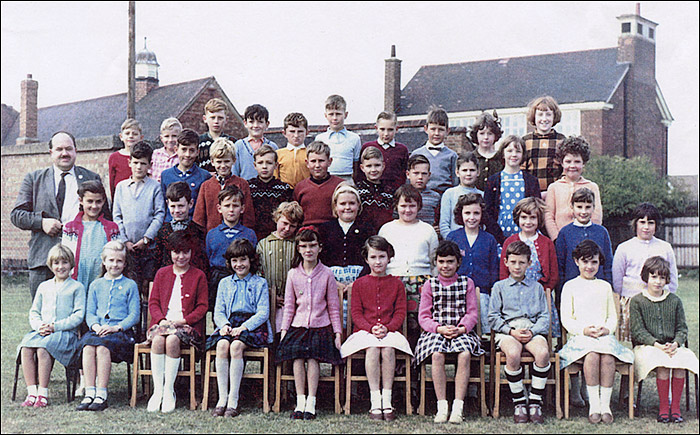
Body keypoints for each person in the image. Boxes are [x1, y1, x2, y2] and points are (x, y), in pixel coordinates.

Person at [11, 131, 107, 299]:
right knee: (44, 316)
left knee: (80, 315)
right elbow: (17, 215)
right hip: (43, 260)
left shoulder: (91, 178)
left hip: (81, 262)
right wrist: (41, 222)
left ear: (76, 151)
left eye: (69, 149)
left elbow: (105, 216)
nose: (65, 153)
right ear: (51, 152)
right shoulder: (34, 179)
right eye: (59, 149)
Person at [558, 240, 634, 425]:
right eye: (585, 261)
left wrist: (607, 329)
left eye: (594, 262)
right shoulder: (570, 286)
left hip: (603, 336)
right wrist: (583, 330)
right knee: (592, 355)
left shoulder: (604, 287)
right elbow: (567, 318)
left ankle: (605, 405)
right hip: (581, 338)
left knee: (607, 356)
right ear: (577, 261)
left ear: (600, 263)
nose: (589, 266)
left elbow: (612, 317)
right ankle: (594, 406)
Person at [340, 236, 411, 422]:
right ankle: (374, 400)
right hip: (365, 331)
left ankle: (386, 400)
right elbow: (356, 314)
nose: (378, 261)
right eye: (373, 257)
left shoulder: (396, 284)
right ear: (366, 259)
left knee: (387, 349)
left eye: (382, 256)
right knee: (372, 349)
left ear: (389, 258)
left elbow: (400, 312)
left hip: (390, 331)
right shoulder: (359, 284)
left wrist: (387, 328)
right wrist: (371, 328)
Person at [275, 226, 343, 420]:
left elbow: (333, 306)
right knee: (297, 356)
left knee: (313, 356)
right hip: (298, 326)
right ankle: (300, 399)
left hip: (320, 326)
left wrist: (337, 333)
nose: (308, 250)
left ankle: (312, 401)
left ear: (320, 248)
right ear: (298, 248)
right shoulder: (293, 274)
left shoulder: (327, 273)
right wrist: (284, 330)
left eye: (312, 246)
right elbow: (289, 306)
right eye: (303, 246)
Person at [414, 240, 484, 424]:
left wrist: (462, 328)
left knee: (465, 354)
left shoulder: (466, 283)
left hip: (460, 331)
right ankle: (442, 405)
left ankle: (458, 406)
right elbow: (424, 316)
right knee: (437, 355)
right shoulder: (430, 284)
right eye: (441, 261)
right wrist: (438, 328)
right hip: (436, 331)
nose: (445, 266)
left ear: (458, 263)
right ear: (436, 262)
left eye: (450, 261)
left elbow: (472, 313)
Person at [205, 239, 273, 417]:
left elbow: (263, 313)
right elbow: (218, 311)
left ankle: (233, 401)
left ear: (251, 260)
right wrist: (224, 325)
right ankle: (222, 399)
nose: (239, 264)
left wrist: (244, 327)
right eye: (234, 261)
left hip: (252, 325)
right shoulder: (224, 283)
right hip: (230, 322)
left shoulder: (260, 283)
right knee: (221, 346)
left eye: (243, 259)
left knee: (235, 347)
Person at [488, 241, 551, 424]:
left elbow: (544, 317)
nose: (517, 266)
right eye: (513, 262)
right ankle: (519, 402)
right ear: (506, 262)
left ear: (529, 263)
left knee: (543, 352)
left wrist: (532, 331)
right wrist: (511, 331)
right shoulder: (499, 287)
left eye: (522, 262)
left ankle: (535, 401)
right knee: (513, 353)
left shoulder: (536, 287)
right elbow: (493, 317)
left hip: (531, 329)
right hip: (508, 331)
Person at [630, 256, 698, 424]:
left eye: (662, 277)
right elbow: (638, 332)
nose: (658, 282)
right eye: (654, 276)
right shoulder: (637, 301)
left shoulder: (674, 301)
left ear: (667, 279)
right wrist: (657, 345)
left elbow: (682, 329)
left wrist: (675, 343)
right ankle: (663, 408)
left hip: (672, 345)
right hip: (648, 346)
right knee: (662, 363)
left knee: (680, 362)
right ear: (646, 277)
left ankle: (675, 408)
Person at [146, 231, 208, 413]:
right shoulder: (162, 274)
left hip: (187, 326)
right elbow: (154, 302)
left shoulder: (198, 276)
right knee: (158, 340)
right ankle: (158, 390)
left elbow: (202, 306)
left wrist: (184, 320)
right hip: (163, 322)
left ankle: (169, 390)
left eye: (185, 252)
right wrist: (162, 320)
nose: (181, 256)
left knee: (172, 340)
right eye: (176, 252)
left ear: (192, 252)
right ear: (170, 252)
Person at [17, 244, 85, 408]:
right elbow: (34, 312)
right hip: (42, 332)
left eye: (64, 263)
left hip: (64, 334)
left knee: (43, 348)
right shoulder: (44, 286)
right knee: (26, 347)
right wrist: (39, 326)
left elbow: (78, 316)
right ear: (50, 265)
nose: (60, 267)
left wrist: (56, 326)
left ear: (71, 264)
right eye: (56, 263)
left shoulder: (77, 287)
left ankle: (43, 393)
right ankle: (32, 391)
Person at [75, 241, 140, 411]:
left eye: (119, 261)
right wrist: (95, 326)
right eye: (110, 260)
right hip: (98, 330)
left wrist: (116, 327)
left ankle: (101, 394)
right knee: (88, 346)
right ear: (103, 262)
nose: (114, 265)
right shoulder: (96, 285)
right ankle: (90, 392)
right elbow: (90, 313)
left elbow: (134, 315)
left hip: (121, 333)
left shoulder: (130, 285)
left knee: (102, 347)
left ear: (125, 263)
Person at [378, 184, 439, 347]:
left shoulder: (427, 230)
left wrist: (431, 283)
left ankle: (415, 360)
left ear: (419, 206)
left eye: (412, 205)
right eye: (403, 205)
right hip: (393, 280)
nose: (407, 210)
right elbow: (381, 258)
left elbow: (434, 260)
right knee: (393, 321)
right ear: (396, 206)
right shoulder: (387, 229)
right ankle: (396, 362)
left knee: (416, 325)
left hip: (421, 282)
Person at [613, 202, 678, 342]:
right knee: (635, 341)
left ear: (656, 225)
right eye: (642, 222)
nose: (646, 227)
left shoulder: (665, 248)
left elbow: (672, 278)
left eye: (651, 223)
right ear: (635, 224)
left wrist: (666, 297)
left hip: (659, 302)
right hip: (631, 302)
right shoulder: (624, 248)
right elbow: (617, 280)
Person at [499, 197, 560, 337]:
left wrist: (542, 292)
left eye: (533, 217)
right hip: (514, 296)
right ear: (517, 218)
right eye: (524, 217)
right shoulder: (510, 241)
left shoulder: (546, 243)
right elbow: (503, 273)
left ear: (539, 220)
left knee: (538, 335)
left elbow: (553, 274)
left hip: (539, 296)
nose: (528, 222)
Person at [113, 141, 165, 299]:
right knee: (130, 286)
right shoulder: (121, 187)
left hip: (148, 248)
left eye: (143, 163)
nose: (139, 167)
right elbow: (117, 215)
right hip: (128, 248)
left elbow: (159, 214)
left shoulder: (154, 187)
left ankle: (146, 322)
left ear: (150, 164)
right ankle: (131, 323)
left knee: (147, 288)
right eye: (135, 163)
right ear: (129, 162)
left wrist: (146, 238)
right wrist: (124, 241)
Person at [319, 183, 373, 327]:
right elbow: (320, 259)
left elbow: (372, 258)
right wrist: (333, 282)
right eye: (343, 204)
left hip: (359, 279)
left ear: (359, 206)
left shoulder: (367, 228)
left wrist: (356, 283)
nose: (347, 207)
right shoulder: (325, 229)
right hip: (331, 279)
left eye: (352, 203)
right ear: (335, 207)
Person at [446, 193, 499, 334]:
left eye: (476, 213)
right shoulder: (453, 237)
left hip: (482, 293)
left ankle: (485, 346)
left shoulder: (489, 239)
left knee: (484, 327)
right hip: (457, 292)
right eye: (467, 213)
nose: (472, 217)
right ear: (460, 214)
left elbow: (494, 270)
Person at [205, 185, 258, 312]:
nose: (231, 210)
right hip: (217, 280)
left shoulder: (249, 234)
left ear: (242, 208)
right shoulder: (212, 234)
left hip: (242, 279)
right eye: (227, 206)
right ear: (219, 208)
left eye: (235, 206)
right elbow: (208, 260)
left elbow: (253, 261)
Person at [62, 180, 120, 291]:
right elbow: (66, 256)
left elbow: (117, 254)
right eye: (90, 201)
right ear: (81, 201)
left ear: (103, 201)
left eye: (98, 202)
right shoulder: (70, 228)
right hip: (77, 280)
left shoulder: (112, 228)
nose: (94, 206)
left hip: (102, 281)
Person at [484, 135, 541, 244]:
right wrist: (498, 235)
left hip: (526, 233)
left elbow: (536, 209)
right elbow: (488, 212)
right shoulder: (493, 180)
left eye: (518, 151)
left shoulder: (531, 181)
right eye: (510, 151)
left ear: (523, 154)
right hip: (499, 234)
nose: (514, 155)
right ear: (503, 154)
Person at [257, 201, 304, 333]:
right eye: (284, 223)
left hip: (292, 300)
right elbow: (258, 273)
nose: (287, 229)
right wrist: (270, 295)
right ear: (277, 218)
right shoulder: (263, 244)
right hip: (268, 299)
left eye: (292, 226)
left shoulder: (297, 245)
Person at [544, 135, 602, 241]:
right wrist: (557, 239)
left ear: (583, 163)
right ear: (562, 163)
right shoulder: (554, 187)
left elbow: (596, 216)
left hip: (586, 241)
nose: (572, 166)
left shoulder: (592, 187)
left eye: (577, 162)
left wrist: (590, 238)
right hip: (562, 241)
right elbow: (549, 217)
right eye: (568, 161)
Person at [193, 137, 255, 233]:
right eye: (219, 162)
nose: (223, 166)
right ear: (212, 162)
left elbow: (248, 217)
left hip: (238, 239)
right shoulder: (206, 186)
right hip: (213, 239)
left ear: (234, 161)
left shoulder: (242, 184)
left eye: (226, 161)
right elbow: (199, 219)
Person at [555, 187, 613, 288]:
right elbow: (560, 266)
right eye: (579, 207)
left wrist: (609, 286)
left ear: (593, 207)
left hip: (598, 287)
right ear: (572, 207)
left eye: (587, 207)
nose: (583, 211)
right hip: (573, 287)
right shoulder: (564, 233)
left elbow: (608, 263)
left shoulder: (602, 232)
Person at [153, 182, 208, 275]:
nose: (177, 211)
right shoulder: (163, 232)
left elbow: (202, 263)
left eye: (181, 206)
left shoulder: (198, 232)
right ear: (167, 204)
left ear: (190, 203)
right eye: (173, 206)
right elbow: (158, 261)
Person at [161, 128, 213, 222]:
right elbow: (163, 207)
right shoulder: (166, 175)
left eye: (191, 150)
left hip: (193, 228)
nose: (187, 154)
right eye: (184, 150)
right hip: (170, 228)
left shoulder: (204, 176)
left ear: (197, 152)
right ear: (176, 149)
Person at [521, 96, 566, 197]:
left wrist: (554, 190)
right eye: (540, 115)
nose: (544, 119)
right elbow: (522, 170)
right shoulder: (525, 141)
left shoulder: (562, 141)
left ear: (554, 117)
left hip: (556, 194)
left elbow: (565, 170)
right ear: (534, 117)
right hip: (531, 194)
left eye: (548, 115)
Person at [247, 144, 293, 240]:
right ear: (255, 165)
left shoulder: (284, 189)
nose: (264, 166)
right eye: (260, 163)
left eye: (269, 163)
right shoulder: (248, 187)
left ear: (276, 165)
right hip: (254, 235)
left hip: (278, 236)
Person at [292, 141, 344, 225]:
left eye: (321, 161)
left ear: (329, 161)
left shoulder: (340, 185)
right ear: (307, 163)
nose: (317, 165)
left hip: (332, 230)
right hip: (307, 231)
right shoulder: (300, 187)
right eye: (313, 161)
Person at [315, 94, 362, 183]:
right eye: (331, 114)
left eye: (338, 114)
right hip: (326, 179)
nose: (335, 118)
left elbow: (356, 164)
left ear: (346, 114)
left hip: (347, 180)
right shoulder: (320, 139)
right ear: (325, 115)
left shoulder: (354, 138)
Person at [410, 107, 457, 194]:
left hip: (444, 197)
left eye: (441, 130)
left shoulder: (452, 156)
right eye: (433, 129)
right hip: (420, 196)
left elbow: (455, 182)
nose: (436, 133)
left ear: (447, 131)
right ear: (426, 129)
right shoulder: (416, 154)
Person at [358, 111, 409, 192]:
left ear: (396, 129)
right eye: (382, 129)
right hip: (371, 192)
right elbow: (360, 173)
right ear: (376, 128)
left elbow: (403, 174)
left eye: (390, 130)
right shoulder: (367, 147)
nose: (386, 134)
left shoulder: (402, 150)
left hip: (395, 192)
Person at [439, 152, 483, 238]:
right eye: (464, 170)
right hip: (454, 244)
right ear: (457, 172)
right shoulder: (449, 194)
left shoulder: (482, 195)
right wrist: (453, 243)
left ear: (478, 172)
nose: (468, 174)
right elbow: (444, 225)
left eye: (472, 170)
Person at [233, 104, 278, 180]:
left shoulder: (273, 147)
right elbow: (234, 173)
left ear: (267, 124)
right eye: (251, 121)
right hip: (243, 190)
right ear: (245, 123)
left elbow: (276, 173)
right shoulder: (238, 146)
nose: (256, 125)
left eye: (260, 122)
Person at [355, 146, 395, 234]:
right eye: (369, 166)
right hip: (363, 233)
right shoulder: (357, 190)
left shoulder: (389, 191)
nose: (373, 170)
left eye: (377, 165)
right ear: (362, 168)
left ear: (383, 166)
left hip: (385, 233)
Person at [198, 98, 236, 173]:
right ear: (205, 119)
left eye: (220, 118)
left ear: (226, 120)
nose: (216, 121)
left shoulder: (232, 143)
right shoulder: (199, 142)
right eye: (212, 117)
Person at [108, 118, 143, 199]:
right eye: (127, 133)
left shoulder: (144, 156)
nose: (131, 136)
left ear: (141, 137)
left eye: (134, 134)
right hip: (122, 196)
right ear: (121, 136)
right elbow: (112, 183)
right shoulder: (114, 157)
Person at [469, 111, 504, 192]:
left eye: (490, 133)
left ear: (496, 135)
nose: (486, 137)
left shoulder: (501, 158)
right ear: (476, 135)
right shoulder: (471, 158)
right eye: (482, 133)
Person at [405, 154, 441, 232]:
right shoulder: (401, 195)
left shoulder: (435, 197)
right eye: (416, 173)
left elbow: (438, 220)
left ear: (429, 175)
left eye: (424, 173)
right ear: (408, 174)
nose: (420, 177)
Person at [275, 112, 310, 188]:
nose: (296, 135)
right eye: (292, 131)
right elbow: (274, 178)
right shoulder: (278, 154)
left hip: (306, 191)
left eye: (300, 131)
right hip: (284, 194)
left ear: (307, 132)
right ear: (284, 133)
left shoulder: (311, 153)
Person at [150, 118, 182, 183]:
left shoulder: (182, 156)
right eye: (167, 136)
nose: (170, 140)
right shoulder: (155, 154)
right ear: (161, 138)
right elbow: (149, 175)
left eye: (174, 136)